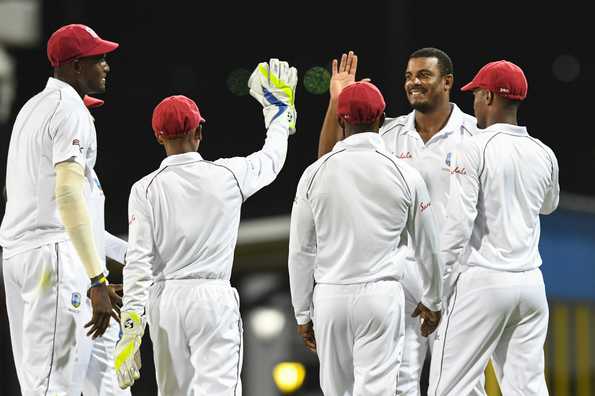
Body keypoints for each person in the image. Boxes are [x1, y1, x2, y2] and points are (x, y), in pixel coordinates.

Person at [114, 58, 298, 394]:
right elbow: (273, 159)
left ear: (158, 136)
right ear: (199, 132)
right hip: (212, 298)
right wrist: (279, 113)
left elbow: (138, 263)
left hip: (165, 301)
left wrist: (130, 330)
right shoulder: (227, 176)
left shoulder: (144, 189)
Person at [317, 48, 478, 395]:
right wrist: (337, 101)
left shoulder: (474, 133)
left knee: (459, 384)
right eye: (408, 76)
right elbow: (328, 161)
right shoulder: (389, 134)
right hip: (401, 277)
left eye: (423, 75)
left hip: (457, 275)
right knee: (399, 383)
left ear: (447, 82)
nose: (413, 83)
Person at [289, 81, 442, 396]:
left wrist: (302, 312)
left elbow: (301, 251)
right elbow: (428, 246)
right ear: (382, 119)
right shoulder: (405, 174)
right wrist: (433, 299)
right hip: (379, 297)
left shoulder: (314, 174)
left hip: (330, 297)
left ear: (341, 122)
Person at [0, 24, 122, 395]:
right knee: (53, 385)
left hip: (23, 253)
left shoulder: (31, 109)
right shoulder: (70, 109)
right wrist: (97, 279)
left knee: (98, 379)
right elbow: (67, 198)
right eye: (97, 58)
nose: (106, 65)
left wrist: (130, 257)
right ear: (74, 67)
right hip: (52, 255)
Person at [428, 60, 559, 395]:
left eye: (476, 95)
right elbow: (549, 206)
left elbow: (457, 227)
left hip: (484, 281)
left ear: (488, 97)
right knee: (527, 388)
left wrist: (433, 292)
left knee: (449, 388)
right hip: (530, 284)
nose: (473, 103)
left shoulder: (472, 148)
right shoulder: (544, 152)